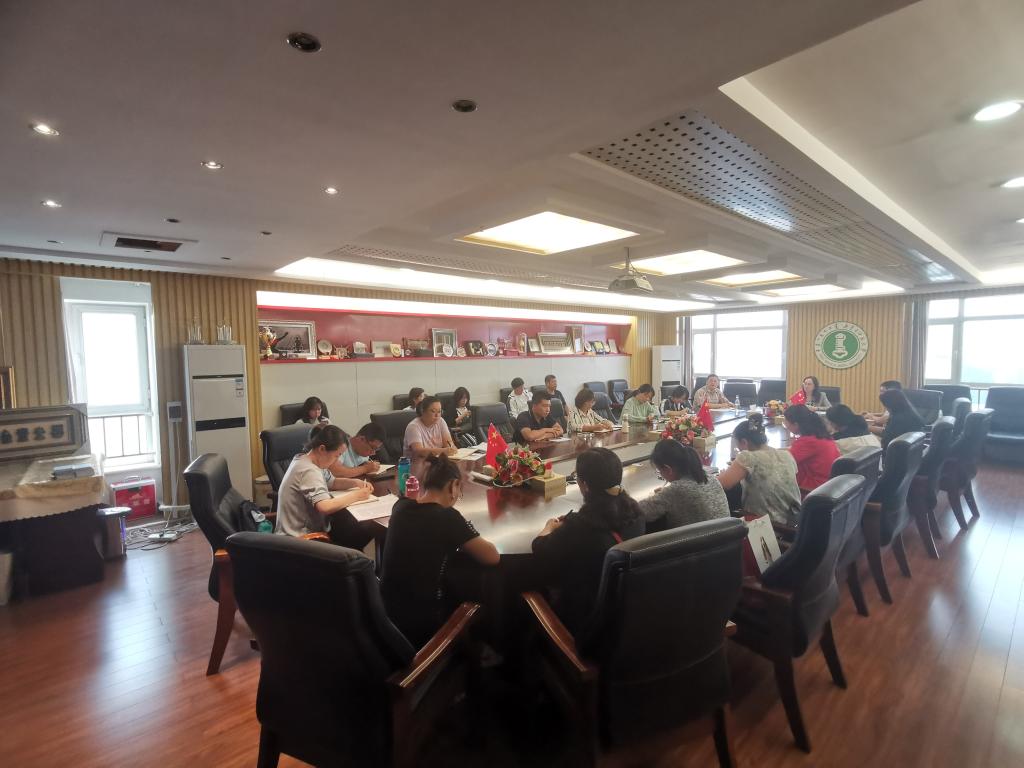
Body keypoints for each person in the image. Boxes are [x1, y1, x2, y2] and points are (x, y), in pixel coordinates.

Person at [380, 455, 499, 647]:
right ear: (453, 485)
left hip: (387, 616)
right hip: (423, 626)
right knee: (474, 581)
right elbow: (492, 557)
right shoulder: (447, 517)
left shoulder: (400, 507)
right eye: (460, 490)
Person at [531, 447, 643, 635]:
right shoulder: (636, 513)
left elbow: (540, 549)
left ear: (585, 485)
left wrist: (548, 528)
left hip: (588, 626)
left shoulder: (581, 525)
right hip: (626, 614)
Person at [274, 425, 375, 545]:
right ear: (322, 449)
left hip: (307, 533)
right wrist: (357, 495)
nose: (337, 460)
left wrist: (355, 483)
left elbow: (332, 482)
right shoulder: (308, 470)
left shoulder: (307, 460)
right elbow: (325, 507)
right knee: (364, 528)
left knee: (358, 527)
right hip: (301, 540)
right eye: (337, 455)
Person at [717, 414, 801, 525]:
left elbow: (723, 484)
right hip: (794, 521)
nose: (739, 450)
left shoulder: (748, 457)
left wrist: (723, 474)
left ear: (744, 442)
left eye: (738, 447)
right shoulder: (786, 455)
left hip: (766, 525)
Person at [640, 439, 729, 529]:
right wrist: (664, 494)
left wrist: (660, 495)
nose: (660, 474)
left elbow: (638, 512)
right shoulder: (711, 478)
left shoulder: (675, 490)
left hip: (697, 538)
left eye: (659, 470)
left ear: (668, 469)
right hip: (727, 536)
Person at [784, 404, 840, 494]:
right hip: (829, 484)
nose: (786, 426)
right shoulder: (821, 435)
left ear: (796, 424)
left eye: (786, 422)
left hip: (813, 489)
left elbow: (784, 461)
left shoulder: (807, 441)